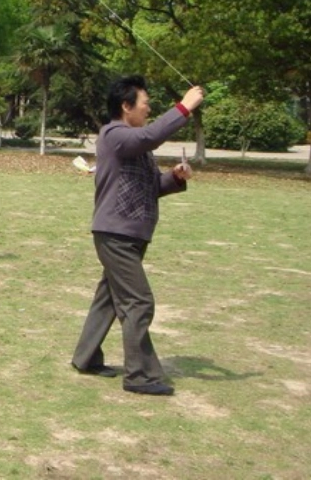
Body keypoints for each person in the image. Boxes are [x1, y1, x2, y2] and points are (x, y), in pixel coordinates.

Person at [71, 76, 205, 396]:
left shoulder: (136, 147)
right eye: (145, 104)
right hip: (115, 235)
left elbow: (150, 187)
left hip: (129, 234)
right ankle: (140, 376)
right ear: (126, 106)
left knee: (109, 299)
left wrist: (175, 177)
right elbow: (150, 135)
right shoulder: (114, 134)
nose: (148, 109)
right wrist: (184, 107)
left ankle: (85, 358)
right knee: (138, 301)